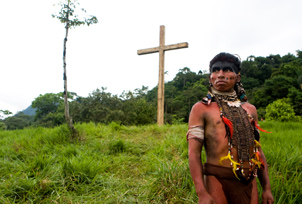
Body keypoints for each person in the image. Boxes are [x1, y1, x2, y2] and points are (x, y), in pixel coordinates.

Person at [187, 52, 274, 204]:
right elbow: (194, 153)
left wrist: (266, 189)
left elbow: (258, 151)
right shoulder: (201, 108)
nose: (220, 74)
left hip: (248, 180)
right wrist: (202, 193)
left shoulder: (250, 109)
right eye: (215, 70)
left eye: (227, 70)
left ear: (237, 77)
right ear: (210, 77)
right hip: (216, 179)